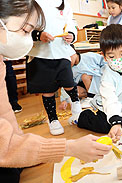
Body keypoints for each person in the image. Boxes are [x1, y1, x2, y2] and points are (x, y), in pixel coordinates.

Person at [0, 1, 111, 183]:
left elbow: (4, 113)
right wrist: (69, 148)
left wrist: (23, 148)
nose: (27, 39)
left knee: (11, 172)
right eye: (25, 31)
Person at [70, 24, 122, 143]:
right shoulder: (107, 74)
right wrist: (116, 121)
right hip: (107, 106)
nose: (118, 59)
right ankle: (82, 117)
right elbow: (109, 98)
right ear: (105, 57)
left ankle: (120, 118)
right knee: (106, 126)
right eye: (112, 56)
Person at [26, 0, 82, 135]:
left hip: (61, 51)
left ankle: (75, 100)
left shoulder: (66, 5)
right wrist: (39, 35)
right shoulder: (32, 3)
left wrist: (71, 35)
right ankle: (53, 119)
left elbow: (71, 24)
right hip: (41, 53)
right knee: (47, 89)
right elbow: (25, 27)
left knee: (68, 81)